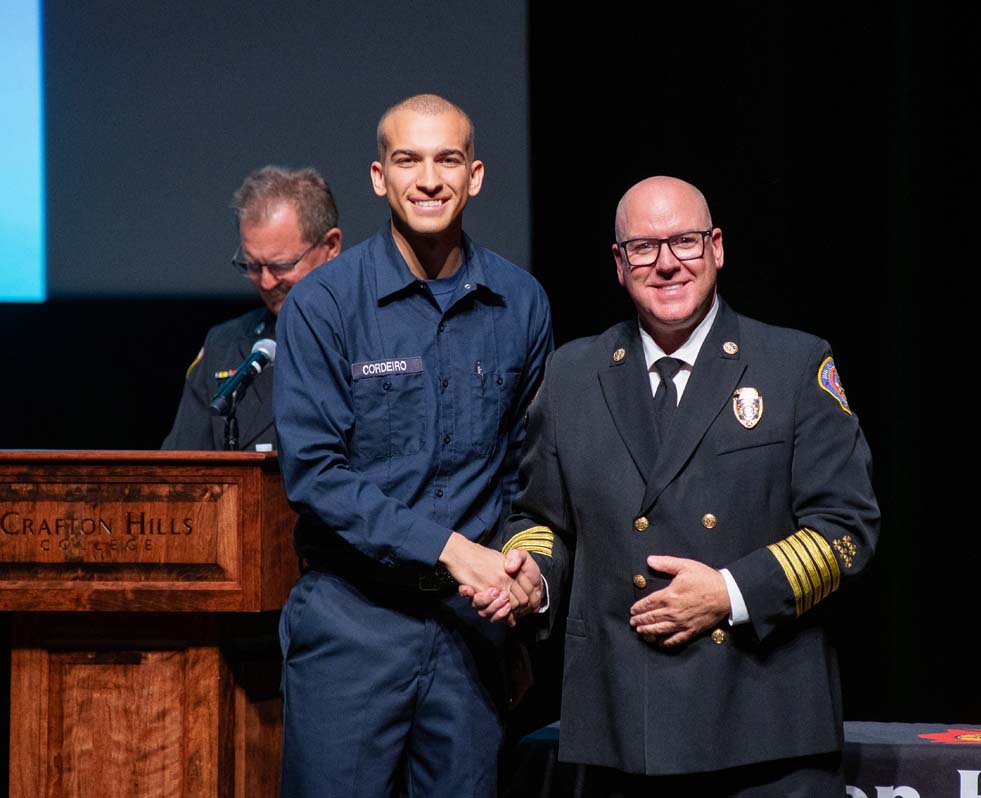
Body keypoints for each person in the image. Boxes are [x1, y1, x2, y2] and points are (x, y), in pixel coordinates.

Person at [483, 175, 881, 796]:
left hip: (765, 725)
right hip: (622, 727)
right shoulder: (571, 375)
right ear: (619, 264)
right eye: (644, 247)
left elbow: (847, 532)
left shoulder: (795, 364)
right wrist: (534, 575)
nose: (667, 264)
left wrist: (728, 592)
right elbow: (539, 518)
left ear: (717, 248)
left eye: (686, 243)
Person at [271, 94, 553, 798]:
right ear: (379, 177)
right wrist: (452, 550)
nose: (429, 179)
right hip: (352, 628)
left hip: (470, 638)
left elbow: (532, 475)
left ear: (476, 175)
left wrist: (523, 591)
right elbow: (315, 475)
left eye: (447, 159)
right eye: (409, 160)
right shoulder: (325, 303)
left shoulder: (520, 303)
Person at [161, 165, 342, 450]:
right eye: (253, 266)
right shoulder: (225, 346)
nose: (267, 282)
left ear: (331, 247)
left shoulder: (375, 335)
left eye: (281, 265)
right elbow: (181, 473)